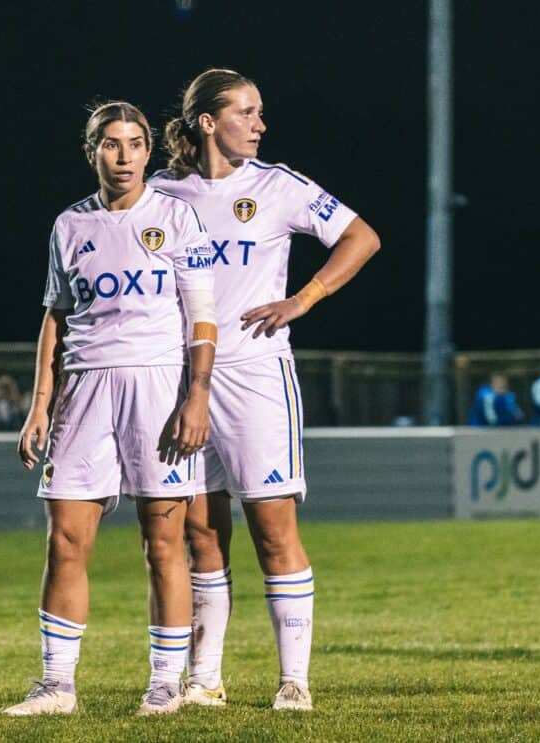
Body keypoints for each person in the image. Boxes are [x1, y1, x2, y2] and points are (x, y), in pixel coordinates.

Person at [152, 68, 382, 712]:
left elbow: (362, 237)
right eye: (247, 113)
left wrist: (305, 297)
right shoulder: (161, 194)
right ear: (207, 121)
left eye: (260, 113)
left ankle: (293, 681)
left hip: (254, 374)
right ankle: (205, 678)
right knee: (200, 533)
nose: (260, 124)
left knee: (273, 530)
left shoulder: (278, 186)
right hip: (178, 379)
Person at [1, 101, 217, 717]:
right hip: (85, 390)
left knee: (164, 540)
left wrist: (195, 396)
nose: (123, 156)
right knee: (66, 539)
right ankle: (56, 686)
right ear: (91, 150)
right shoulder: (69, 225)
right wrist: (40, 402)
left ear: (150, 151)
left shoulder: (176, 217)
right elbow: (57, 315)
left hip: (157, 386)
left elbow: (203, 318)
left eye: (135, 144)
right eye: (110, 144)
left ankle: (165, 684)